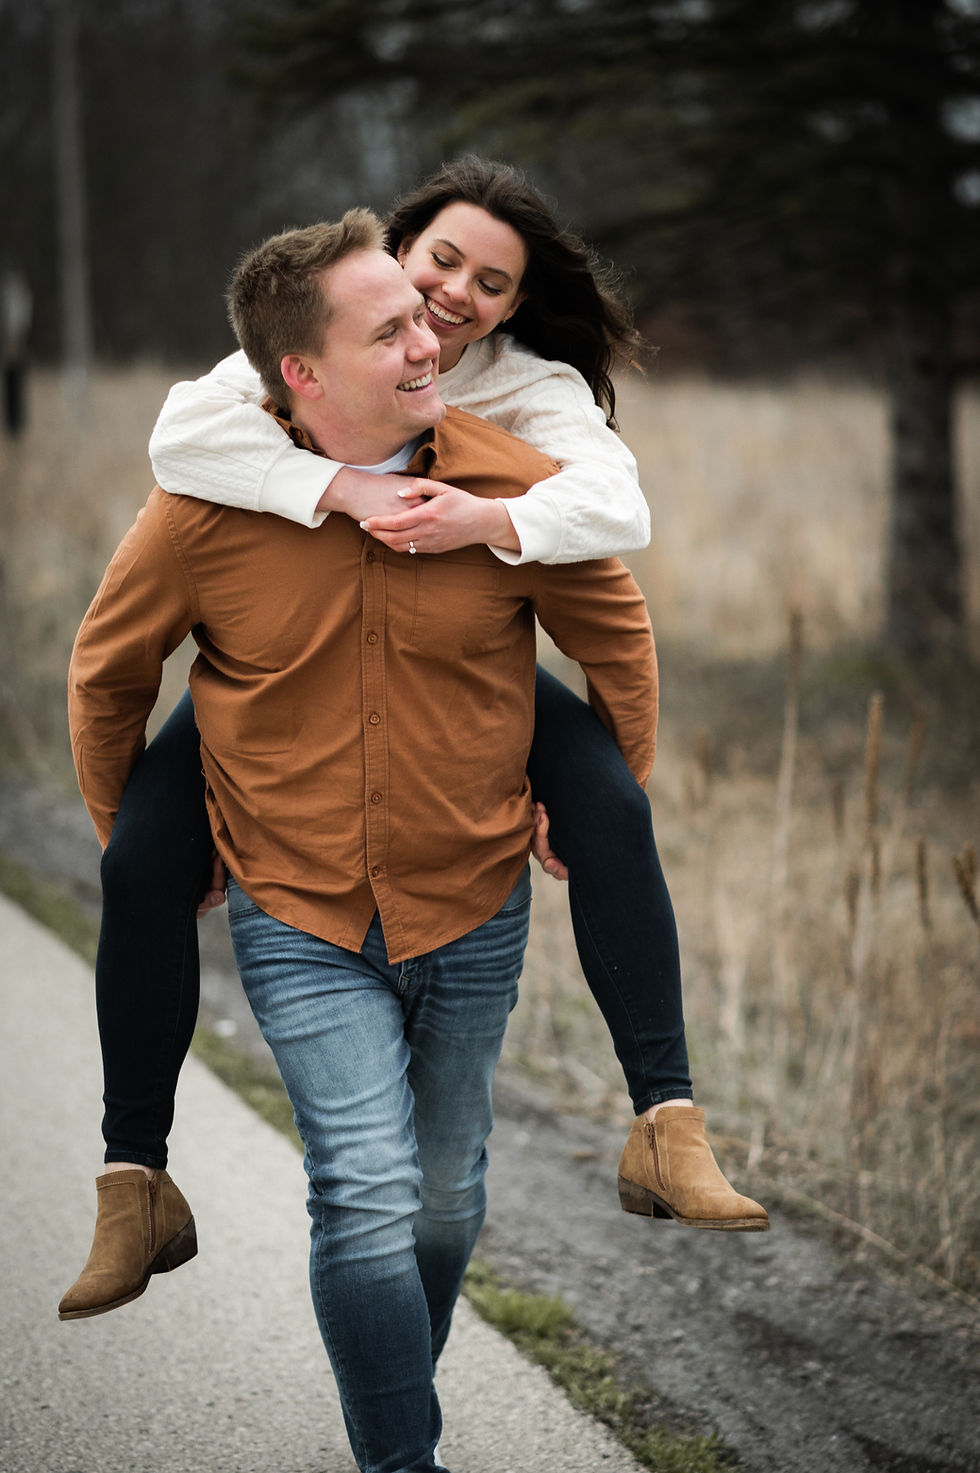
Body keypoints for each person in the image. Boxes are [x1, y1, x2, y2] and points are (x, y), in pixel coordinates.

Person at [60, 158, 767, 1320]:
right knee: (139, 856)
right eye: (440, 261)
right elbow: (179, 443)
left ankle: (665, 1123)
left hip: (461, 656)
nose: (453, 300)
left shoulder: (529, 391)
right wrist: (337, 491)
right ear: (397, 250)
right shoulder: (306, 344)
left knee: (612, 807)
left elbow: (614, 517)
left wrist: (487, 520)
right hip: (296, 666)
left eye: (491, 283)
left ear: (512, 302)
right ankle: (134, 1182)